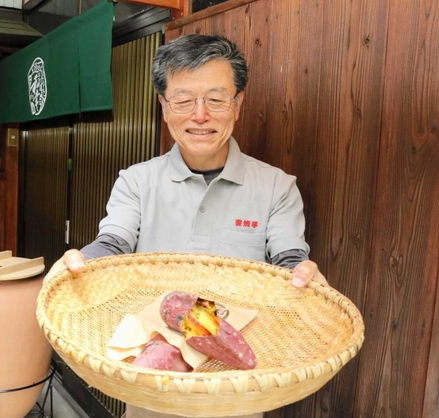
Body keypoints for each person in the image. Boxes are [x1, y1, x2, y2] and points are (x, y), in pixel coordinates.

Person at [45, 34, 328, 418]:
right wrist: (82, 259)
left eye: (216, 99)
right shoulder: (136, 181)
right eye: (183, 100)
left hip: (235, 387)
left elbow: (290, 259)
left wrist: (302, 274)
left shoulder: (277, 186)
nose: (200, 115)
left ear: (238, 104)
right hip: (152, 386)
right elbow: (112, 243)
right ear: (163, 107)